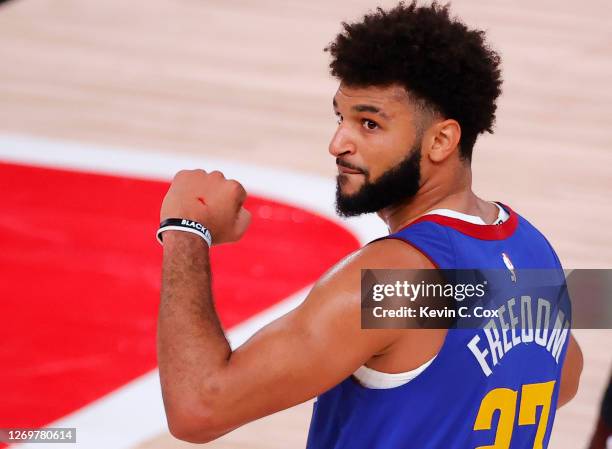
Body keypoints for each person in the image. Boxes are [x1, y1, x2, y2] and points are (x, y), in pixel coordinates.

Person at [156, 2, 583, 447]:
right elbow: (565, 376)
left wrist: (187, 228)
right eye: (341, 118)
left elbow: (197, 410)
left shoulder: (395, 283)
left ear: (441, 140)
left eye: (369, 123)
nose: (337, 143)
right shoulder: (533, 248)